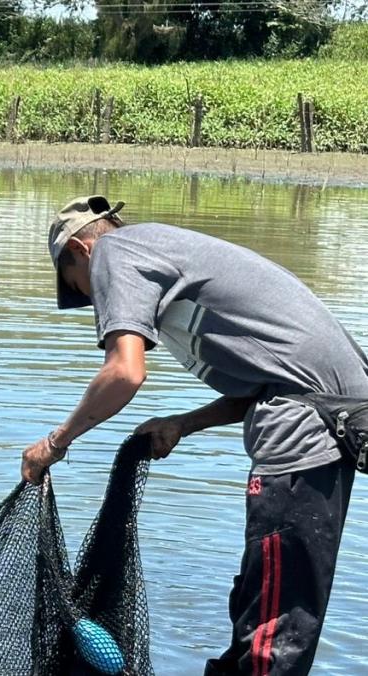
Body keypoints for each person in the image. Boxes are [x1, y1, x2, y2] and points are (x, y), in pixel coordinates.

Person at [20, 195, 368, 676]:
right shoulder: (162, 251)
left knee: (275, 630)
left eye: (80, 286)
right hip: (323, 425)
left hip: (309, 433)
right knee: (262, 604)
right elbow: (269, 384)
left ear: (80, 249)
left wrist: (55, 442)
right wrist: (182, 424)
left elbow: (125, 372)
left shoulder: (114, 254)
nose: (94, 299)